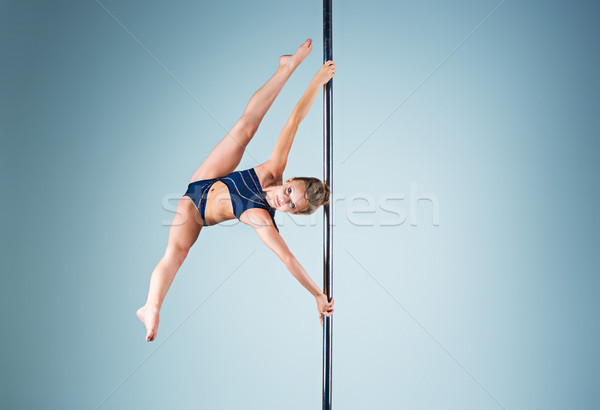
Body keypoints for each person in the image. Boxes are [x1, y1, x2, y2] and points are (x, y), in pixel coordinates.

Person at [137, 39, 335, 342]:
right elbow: (295, 119)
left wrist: (317, 294)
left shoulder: (260, 218)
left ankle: (151, 306)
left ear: (290, 213)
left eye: (291, 206)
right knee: (246, 127)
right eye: (291, 191)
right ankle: (286, 67)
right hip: (206, 179)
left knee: (176, 254)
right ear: (290, 179)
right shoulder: (274, 169)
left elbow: (288, 260)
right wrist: (315, 82)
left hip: (195, 210)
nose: (284, 200)